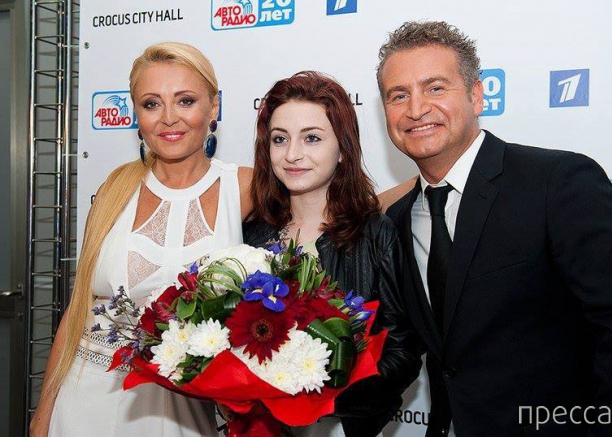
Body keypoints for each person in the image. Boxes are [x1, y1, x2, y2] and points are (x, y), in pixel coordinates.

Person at [378, 21, 612, 436]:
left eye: (435, 88)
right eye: (399, 95)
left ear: (476, 95)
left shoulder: (557, 181)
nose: (416, 109)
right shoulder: (396, 221)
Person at [30, 42, 253, 436]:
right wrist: (43, 413)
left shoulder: (246, 187)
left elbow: (325, 215)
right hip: (83, 401)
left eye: (185, 100)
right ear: (137, 113)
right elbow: (79, 309)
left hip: (181, 409)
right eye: (151, 104)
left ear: (214, 106)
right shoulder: (116, 188)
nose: (168, 118)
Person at [242, 71, 422, 437]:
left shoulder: (375, 235)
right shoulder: (251, 234)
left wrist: (326, 396)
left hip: (344, 428)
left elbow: (402, 352)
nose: (292, 154)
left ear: (342, 149)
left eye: (312, 138)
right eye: (280, 139)